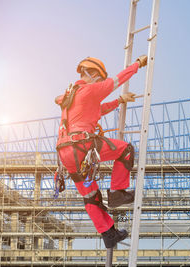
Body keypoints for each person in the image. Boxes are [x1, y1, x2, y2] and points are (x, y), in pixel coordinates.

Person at [55, 55, 147, 248]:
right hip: (81, 146)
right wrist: (137, 64)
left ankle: (109, 234)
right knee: (125, 150)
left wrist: (120, 100)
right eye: (100, 79)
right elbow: (118, 80)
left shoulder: (72, 95)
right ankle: (117, 193)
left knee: (90, 195)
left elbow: (98, 109)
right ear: (94, 74)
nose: (102, 82)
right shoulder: (90, 89)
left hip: (65, 155)